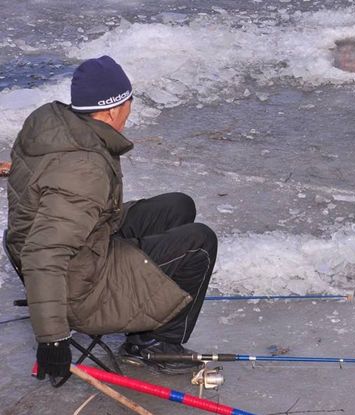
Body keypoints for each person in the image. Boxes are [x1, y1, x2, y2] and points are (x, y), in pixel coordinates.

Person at [5, 55, 218, 382]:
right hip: (79, 287)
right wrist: (53, 339)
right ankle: (154, 344)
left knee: (177, 206)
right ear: (112, 109)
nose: (131, 109)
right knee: (200, 242)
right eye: (129, 101)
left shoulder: (52, 122)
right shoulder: (84, 171)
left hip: (88, 240)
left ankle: (144, 313)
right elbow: (43, 253)